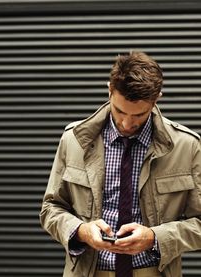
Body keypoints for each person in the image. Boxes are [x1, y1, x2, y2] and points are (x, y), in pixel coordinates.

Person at [40, 51, 201, 277]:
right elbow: (50, 210)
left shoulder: (187, 146)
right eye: (119, 111)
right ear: (109, 90)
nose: (126, 123)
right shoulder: (73, 139)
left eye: (139, 115)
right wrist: (82, 231)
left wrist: (155, 237)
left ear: (157, 99)